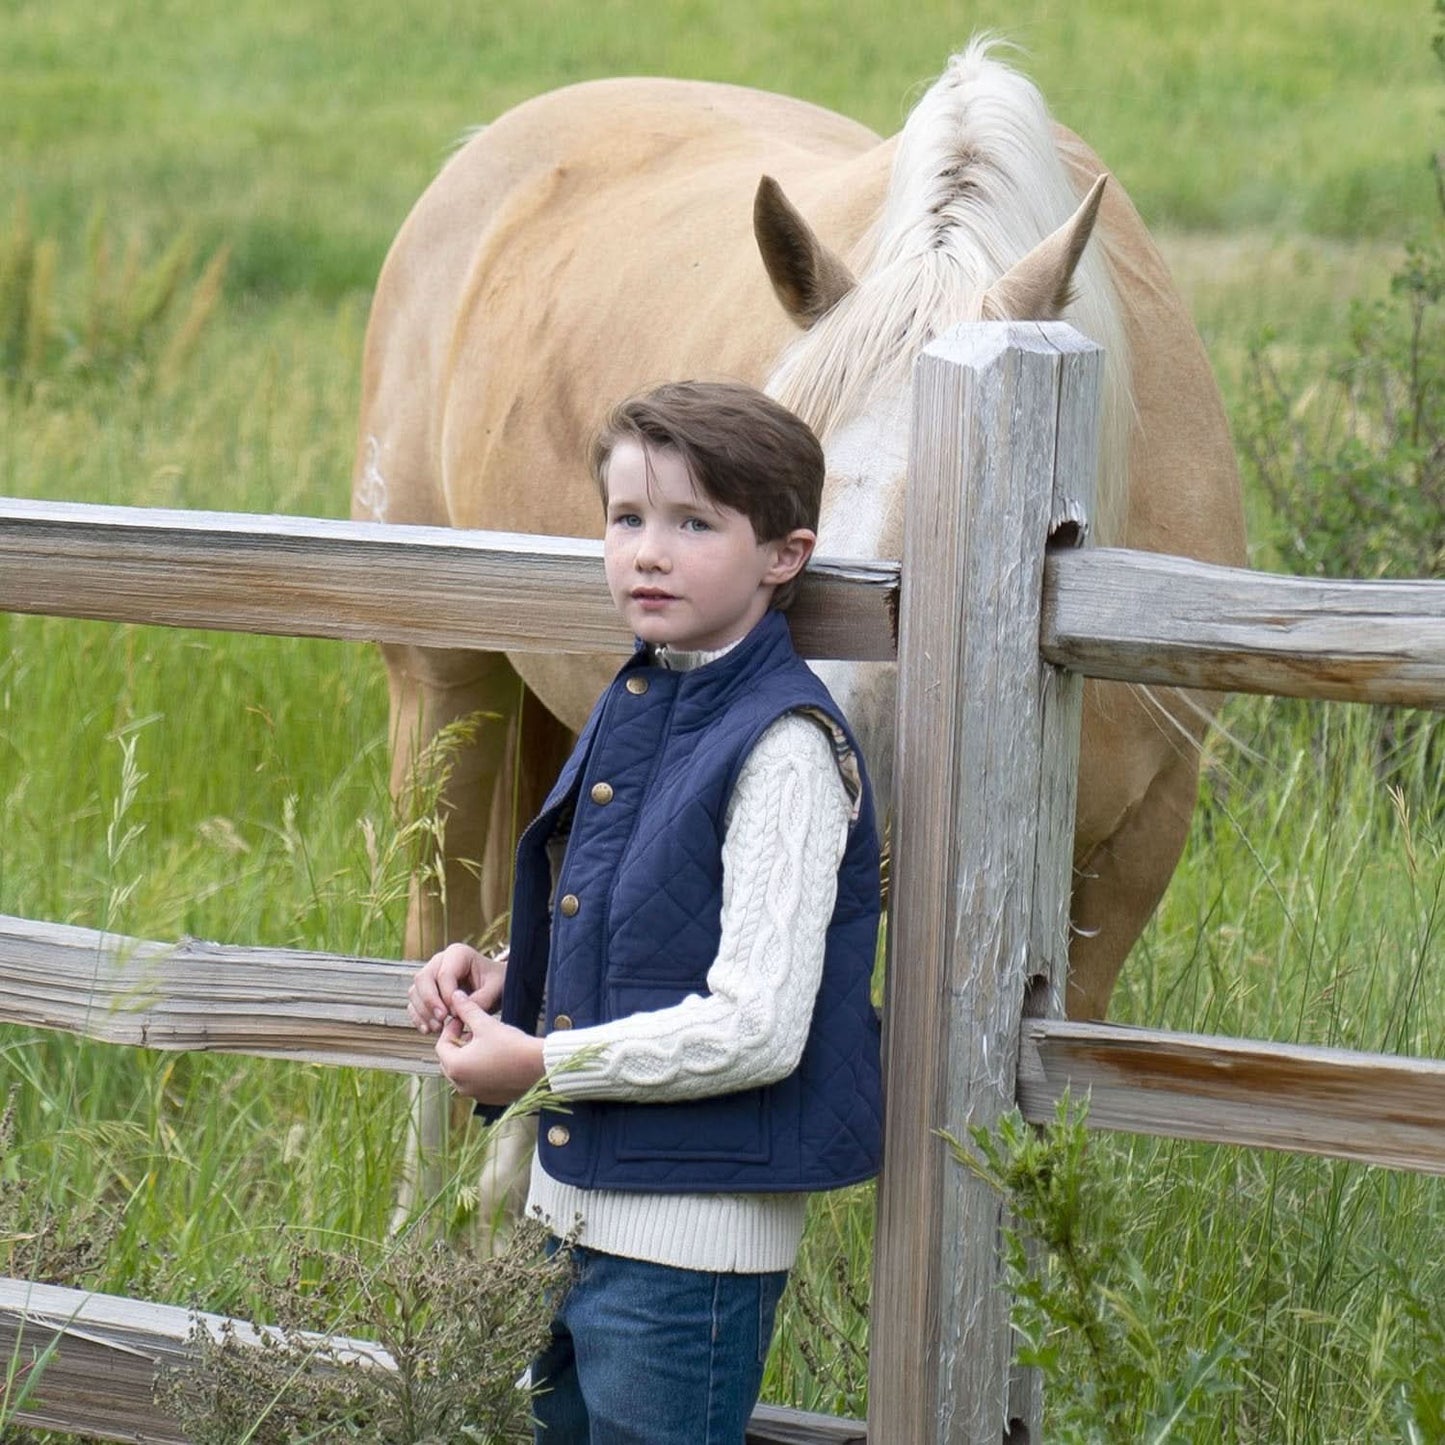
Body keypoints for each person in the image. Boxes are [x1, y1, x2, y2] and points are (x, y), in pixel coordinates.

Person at [406, 380, 882, 1445]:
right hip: (564, 1215)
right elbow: (627, 913)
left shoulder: (784, 748)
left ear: (783, 555)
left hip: (687, 1257)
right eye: (626, 519)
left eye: (692, 523)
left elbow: (755, 1025)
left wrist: (540, 1064)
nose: (647, 553)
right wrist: (501, 970)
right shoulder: (640, 699)